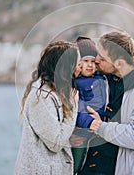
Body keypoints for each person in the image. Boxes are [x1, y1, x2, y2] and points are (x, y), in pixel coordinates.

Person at [78, 31, 134, 175]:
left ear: (119, 63)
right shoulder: (101, 77)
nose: (96, 60)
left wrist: (99, 126)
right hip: (88, 166)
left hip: (121, 169)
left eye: (102, 57)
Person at [14, 41, 80, 175]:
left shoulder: (54, 93)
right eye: (77, 64)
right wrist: (73, 107)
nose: (80, 68)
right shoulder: (42, 98)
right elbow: (55, 143)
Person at [72, 36, 106, 174]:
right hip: (83, 128)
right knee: (76, 163)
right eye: (85, 61)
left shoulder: (101, 77)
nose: (90, 65)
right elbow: (78, 108)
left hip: (98, 129)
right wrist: (89, 122)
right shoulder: (76, 83)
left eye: (93, 61)